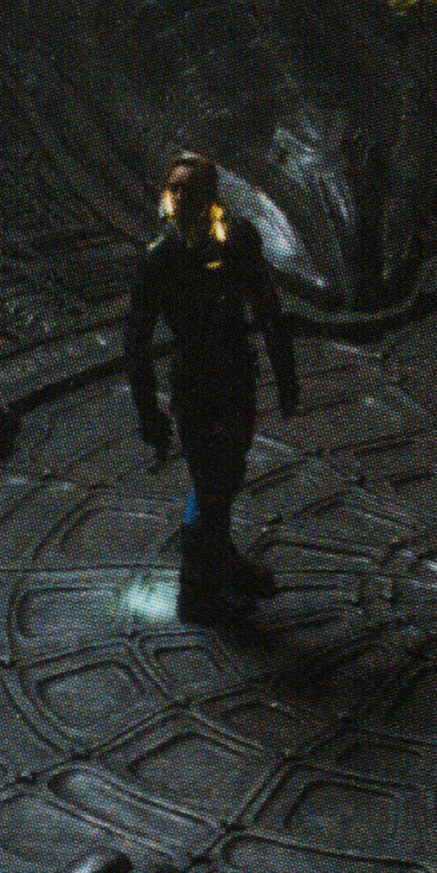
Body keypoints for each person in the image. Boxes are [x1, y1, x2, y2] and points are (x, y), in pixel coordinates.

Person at [124, 153, 299, 622]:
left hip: (236, 375)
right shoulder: (158, 258)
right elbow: (136, 342)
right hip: (195, 384)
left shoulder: (239, 239)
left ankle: (219, 563)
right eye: (174, 187)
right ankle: (195, 590)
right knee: (211, 485)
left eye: (190, 188)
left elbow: (267, 308)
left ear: (210, 196)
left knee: (227, 475)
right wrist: (148, 414)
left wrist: (286, 377)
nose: (180, 196)